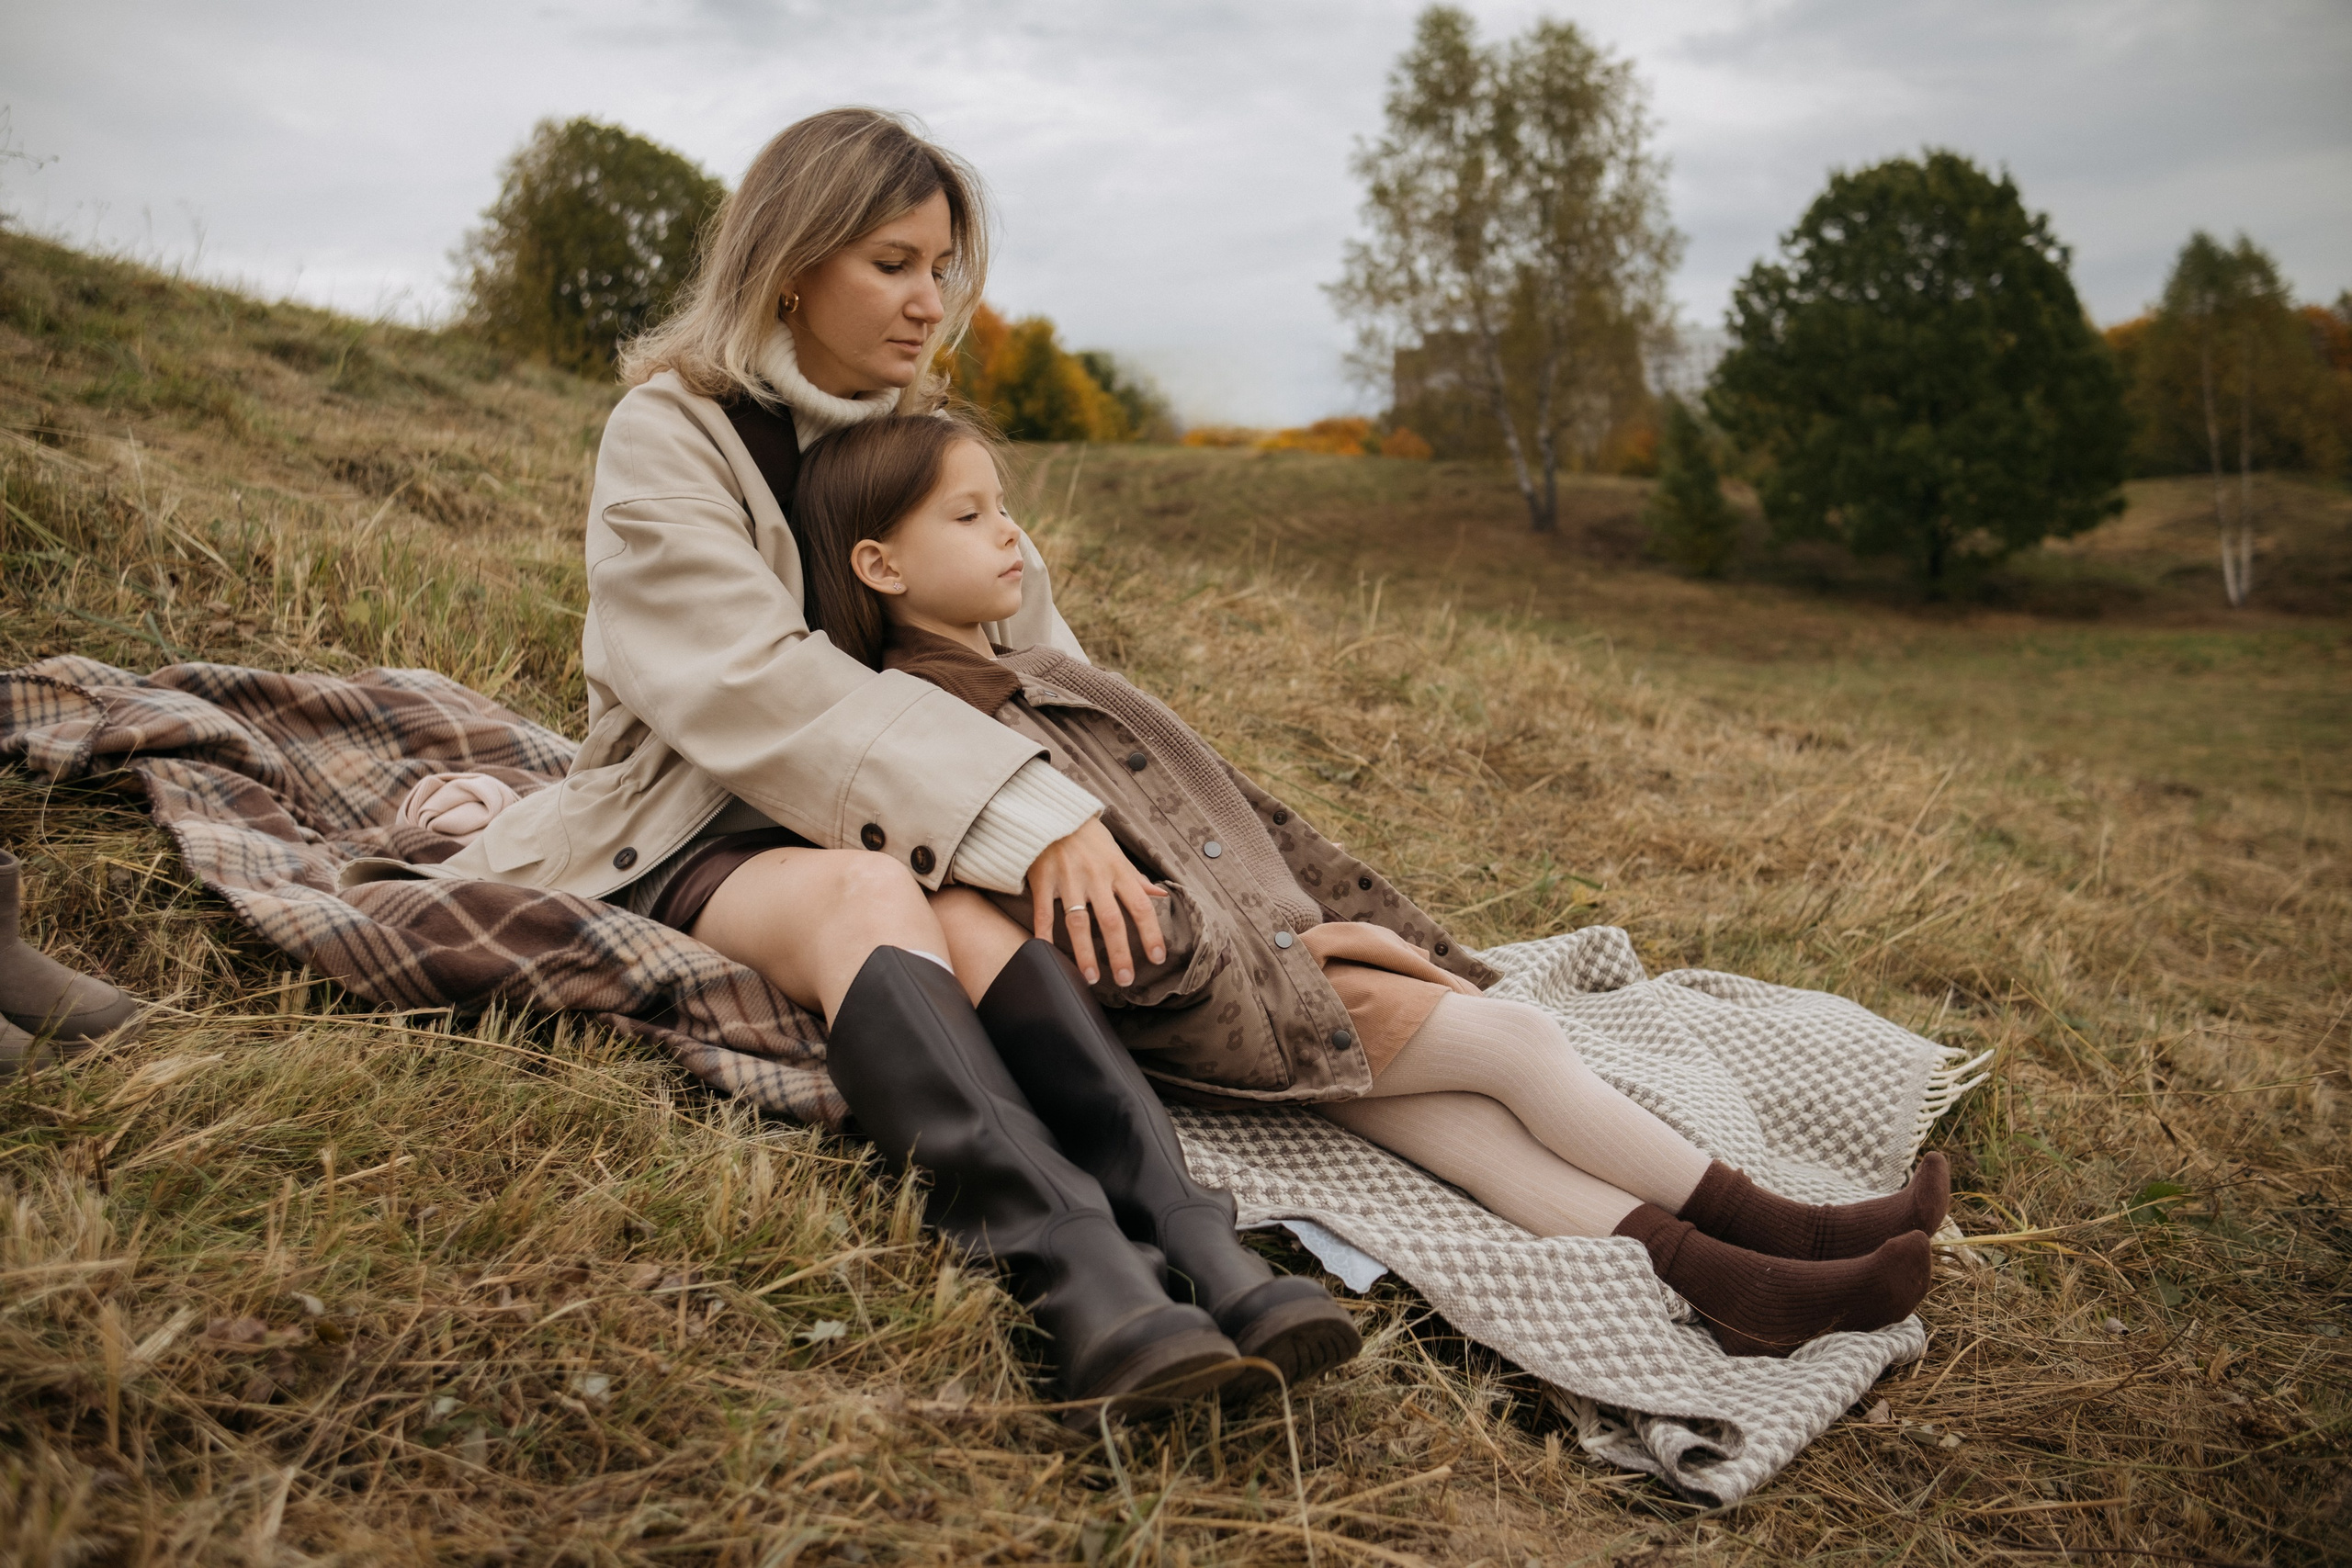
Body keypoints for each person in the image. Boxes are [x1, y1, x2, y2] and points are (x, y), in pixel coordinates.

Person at [415, 107, 1357, 1419]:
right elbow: (749, 686)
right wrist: (1022, 816)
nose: (934, 302)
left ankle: (1206, 1252)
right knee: (876, 899)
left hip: (912, 820)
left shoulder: (919, 446)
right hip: (701, 820)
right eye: (894, 262)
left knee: (967, 910)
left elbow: (1039, 671)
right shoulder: (669, 432)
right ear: (792, 263)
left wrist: (1121, 838)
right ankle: (1085, 1284)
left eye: (944, 267)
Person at [785, 411, 1950, 1359]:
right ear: (879, 564)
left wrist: (1339, 921)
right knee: (1514, 1051)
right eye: (971, 514)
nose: (1012, 536)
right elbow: (1108, 932)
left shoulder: (1038, 671)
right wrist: (1309, 957)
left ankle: (1735, 1286)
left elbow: (1234, 818)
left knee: (1460, 1132)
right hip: (1215, 1001)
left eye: (1008, 505)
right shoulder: (941, 729)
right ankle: (1784, 1227)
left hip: (1262, 966)